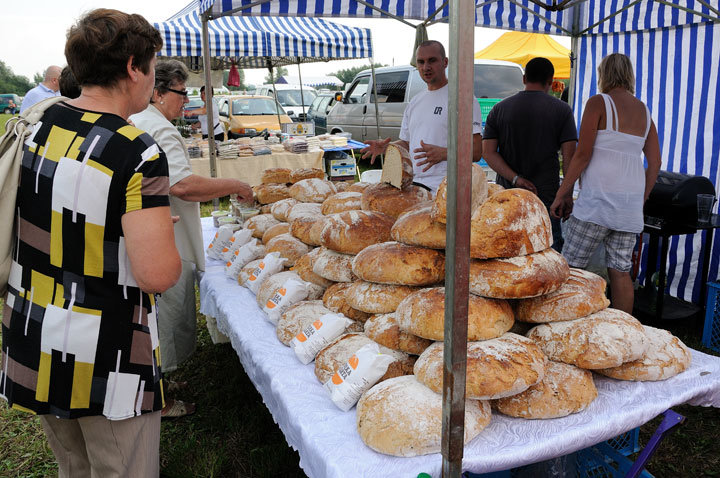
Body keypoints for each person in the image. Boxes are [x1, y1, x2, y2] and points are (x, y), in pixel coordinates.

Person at [1, 9, 181, 477]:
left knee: (74, 467)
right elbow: (158, 274)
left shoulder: (39, 123)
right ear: (132, 68)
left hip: (35, 333)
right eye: (153, 66)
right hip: (107, 354)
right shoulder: (136, 150)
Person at [131, 60, 253, 417]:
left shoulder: (145, 122)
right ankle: (158, 399)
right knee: (164, 319)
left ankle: (160, 383)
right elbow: (182, 185)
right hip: (166, 236)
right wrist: (235, 185)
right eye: (181, 93)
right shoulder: (159, 128)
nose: (186, 100)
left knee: (152, 320)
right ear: (158, 92)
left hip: (150, 232)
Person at [550, 53, 661, 314]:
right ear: (629, 75)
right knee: (621, 272)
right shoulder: (644, 112)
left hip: (597, 204)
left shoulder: (599, 103)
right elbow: (654, 163)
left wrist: (562, 192)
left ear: (604, 75)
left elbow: (582, 154)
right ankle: (623, 331)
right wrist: (640, 198)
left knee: (572, 267)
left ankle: (561, 323)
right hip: (628, 208)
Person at [361, 40, 483, 192]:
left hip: (447, 191)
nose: (426, 67)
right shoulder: (415, 102)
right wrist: (387, 147)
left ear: (445, 62)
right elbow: (407, 143)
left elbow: (477, 151)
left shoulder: (462, 98)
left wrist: (445, 153)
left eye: (432, 60)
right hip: (414, 187)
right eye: (421, 62)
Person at [482, 57, 577, 251]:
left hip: (508, 194)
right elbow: (570, 158)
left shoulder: (499, 109)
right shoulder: (562, 110)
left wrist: (515, 178)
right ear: (550, 81)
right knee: (547, 250)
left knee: (508, 247)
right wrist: (566, 194)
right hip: (548, 196)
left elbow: (488, 152)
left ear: (524, 79)